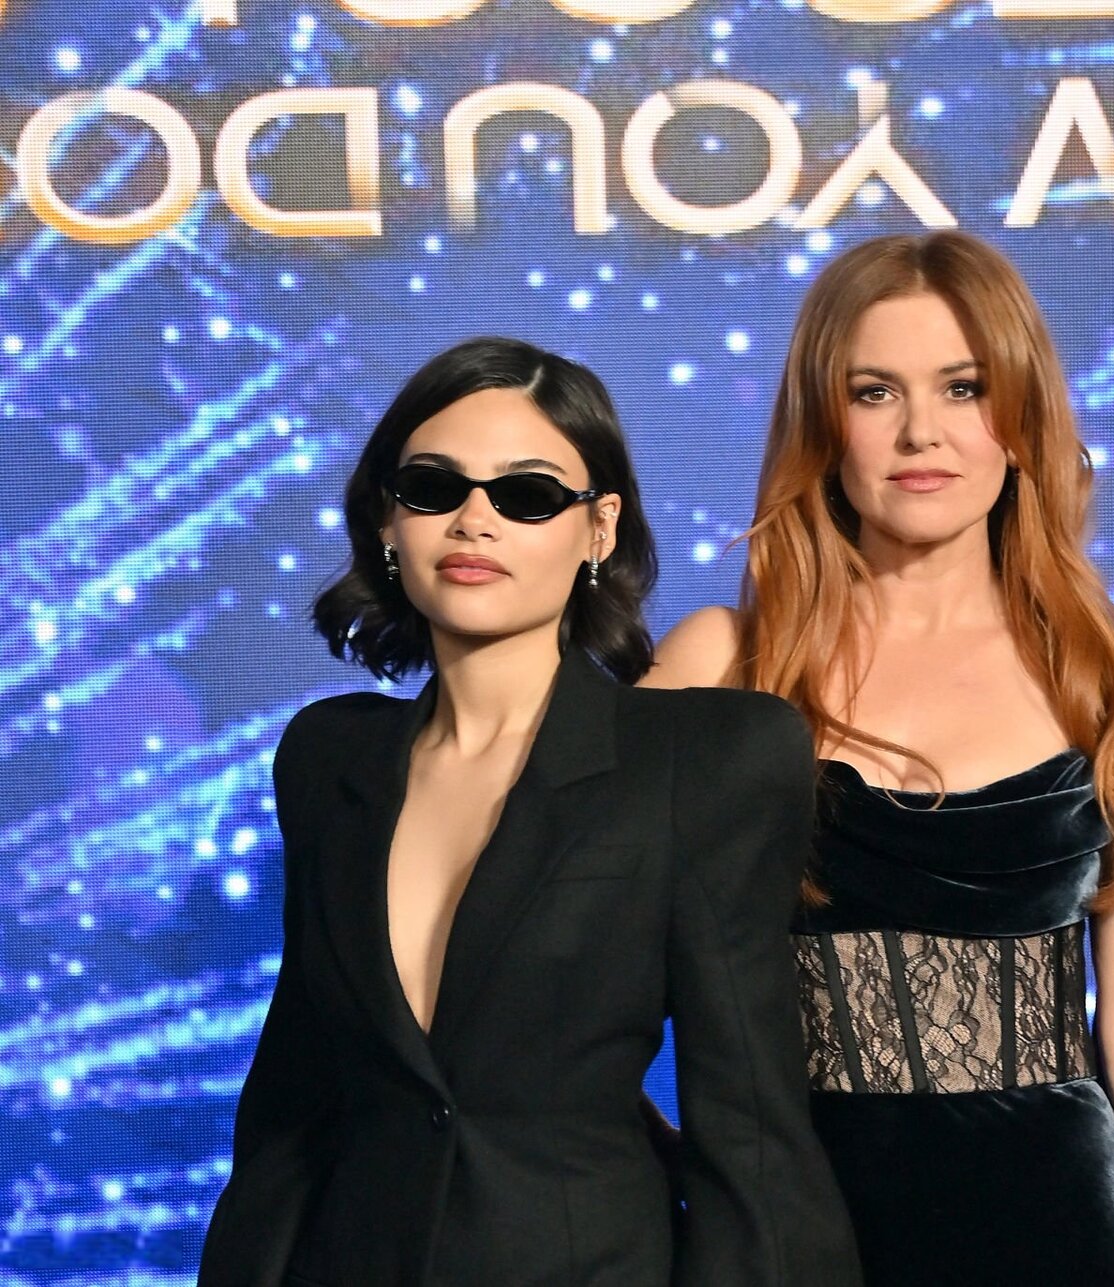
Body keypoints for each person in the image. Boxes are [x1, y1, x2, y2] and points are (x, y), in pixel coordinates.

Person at [197, 336, 859, 1286]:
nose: (475, 520)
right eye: (433, 487)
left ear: (599, 528)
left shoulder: (703, 760)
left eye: (528, 495)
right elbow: (291, 1109)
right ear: (388, 520)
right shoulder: (327, 756)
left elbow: (749, 1129)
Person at [643, 231, 1114, 1286]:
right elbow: (572, 984)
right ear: (824, 425)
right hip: (802, 1237)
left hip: (1066, 1232)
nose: (922, 432)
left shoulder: (1111, 679)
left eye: (964, 388)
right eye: (875, 392)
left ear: (1021, 417)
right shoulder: (723, 666)